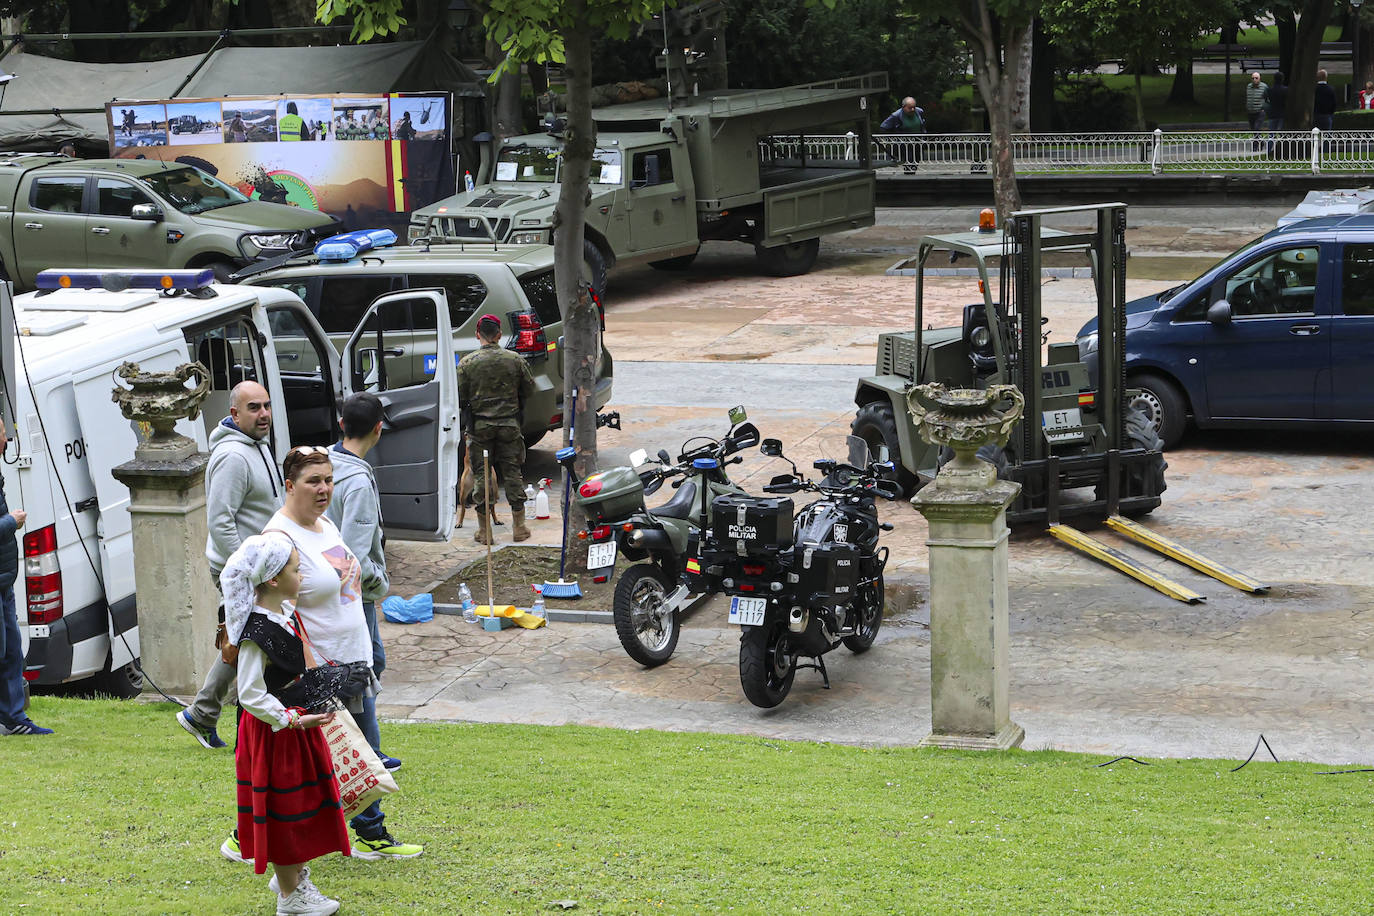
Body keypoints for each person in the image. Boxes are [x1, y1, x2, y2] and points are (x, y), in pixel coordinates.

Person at [257, 446, 423, 861]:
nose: (324, 488)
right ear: (289, 485)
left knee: (358, 755)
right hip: (321, 673)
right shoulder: (278, 539)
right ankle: (248, 835)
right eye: (314, 481)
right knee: (316, 764)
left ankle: (370, 831)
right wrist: (309, 666)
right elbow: (272, 610)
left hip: (353, 663)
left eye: (329, 479)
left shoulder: (325, 524)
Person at [222, 532, 349, 916]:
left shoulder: (283, 615)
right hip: (273, 733)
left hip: (294, 728)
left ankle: (292, 875)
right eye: (297, 568)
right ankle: (291, 898)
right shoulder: (256, 634)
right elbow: (250, 693)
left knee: (302, 802)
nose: (303, 573)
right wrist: (291, 719)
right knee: (283, 806)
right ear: (273, 579)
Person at [178, 381, 283, 751]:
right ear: (235, 413)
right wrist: (250, 572)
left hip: (259, 569)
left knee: (244, 640)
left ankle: (201, 713)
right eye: (254, 407)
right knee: (249, 641)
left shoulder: (258, 446)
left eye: (267, 406)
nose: (264, 414)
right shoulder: (233, 457)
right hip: (239, 571)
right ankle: (217, 719)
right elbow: (220, 521)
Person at [325, 393, 400, 772]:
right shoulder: (356, 481)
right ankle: (367, 752)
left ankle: (365, 747)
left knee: (369, 664)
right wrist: (378, 582)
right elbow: (351, 554)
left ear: (341, 425)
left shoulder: (323, 462)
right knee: (364, 669)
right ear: (378, 428)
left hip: (329, 586)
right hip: (351, 591)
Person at [457, 314, 535, 545]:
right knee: (513, 473)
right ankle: (519, 528)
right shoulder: (515, 360)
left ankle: (485, 532)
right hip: (510, 424)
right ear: (499, 335)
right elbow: (529, 390)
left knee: (481, 475)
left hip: (480, 427)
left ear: (477, 335)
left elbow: (460, 396)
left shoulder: (467, 363)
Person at [0, 420, 47, 737]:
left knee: (12, 651)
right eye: (3, 434)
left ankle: (13, 718)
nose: (7, 440)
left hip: (4, 581)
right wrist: (10, 522)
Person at [880, 96, 926, 173]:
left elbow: (923, 124)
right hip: (904, 143)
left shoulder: (919, 112)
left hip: (917, 141)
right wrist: (893, 139)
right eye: (910, 108)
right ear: (903, 107)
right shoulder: (896, 115)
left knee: (916, 159)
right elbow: (883, 127)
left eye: (914, 107)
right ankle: (909, 174)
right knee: (909, 159)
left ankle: (911, 173)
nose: (912, 109)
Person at [1244, 71, 1269, 151]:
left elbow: (1268, 99)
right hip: (1250, 112)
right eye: (1253, 78)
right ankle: (1261, 142)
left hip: (1260, 112)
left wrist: (1264, 108)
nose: (1254, 79)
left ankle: (1255, 146)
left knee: (1256, 128)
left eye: (1256, 78)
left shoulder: (1264, 87)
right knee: (1254, 130)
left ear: (1259, 78)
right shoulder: (1249, 86)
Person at [1267, 72, 1288, 156]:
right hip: (1282, 114)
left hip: (1273, 114)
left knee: (1271, 135)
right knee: (1282, 134)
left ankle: (1268, 151)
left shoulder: (1270, 90)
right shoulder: (1286, 90)